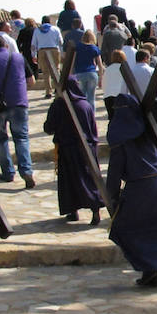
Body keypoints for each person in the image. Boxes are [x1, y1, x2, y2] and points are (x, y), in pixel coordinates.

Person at [107, 94, 157, 287]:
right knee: (156, 229)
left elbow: (115, 171)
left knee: (126, 228)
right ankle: (151, 270)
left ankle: (149, 267)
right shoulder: (149, 130)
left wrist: (111, 196)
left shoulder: (121, 139)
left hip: (139, 189)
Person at [44, 77, 103, 225]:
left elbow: (49, 128)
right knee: (88, 180)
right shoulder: (86, 105)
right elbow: (93, 129)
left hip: (68, 149)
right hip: (87, 149)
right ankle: (94, 208)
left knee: (69, 182)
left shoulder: (59, 105)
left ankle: (73, 210)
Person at [0, 36, 35, 188]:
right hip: (18, 102)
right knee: (22, 138)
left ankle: (7, 172)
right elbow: (31, 81)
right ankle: (26, 171)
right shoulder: (18, 57)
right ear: (6, 45)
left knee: (0, 139)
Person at [130, 50, 157, 122]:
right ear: (146, 58)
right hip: (152, 104)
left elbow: (124, 89)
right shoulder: (152, 71)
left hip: (135, 103)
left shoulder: (129, 71)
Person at [31, 15, 62, 98]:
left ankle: (48, 92)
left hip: (42, 51)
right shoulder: (55, 29)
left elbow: (34, 44)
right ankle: (58, 88)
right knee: (56, 70)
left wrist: (33, 55)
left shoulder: (37, 30)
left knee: (45, 72)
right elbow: (60, 41)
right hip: (54, 49)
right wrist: (61, 52)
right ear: (50, 22)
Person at [72, 31, 103, 109]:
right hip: (92, 73)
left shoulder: (77, 47)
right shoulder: (94, 48)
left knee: (81, 97)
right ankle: (91, 116)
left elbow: (72, 62)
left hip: (80, 73)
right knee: (91, 97)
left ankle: (83, 114)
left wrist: (70, 75)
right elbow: (100, 64)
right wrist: (101, 77)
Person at [102, 50, 127, 122]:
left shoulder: (108, 69)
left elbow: (104, 84)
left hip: (108, 96)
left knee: (112, 119)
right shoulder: (124, 68)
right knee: (122, 119)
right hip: (121, 95)